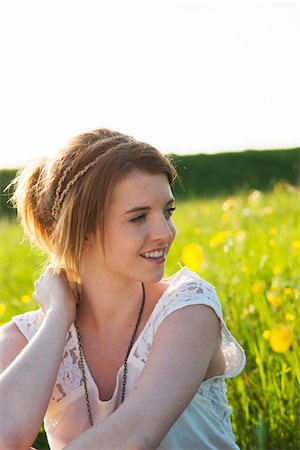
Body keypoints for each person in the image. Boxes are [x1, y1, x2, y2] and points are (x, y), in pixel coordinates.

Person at [0, 128, 245, 450]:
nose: (166, 232)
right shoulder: (28, 336)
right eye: (138, 217)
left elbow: (134, 437)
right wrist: (58, 317)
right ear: (81, 229)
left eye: (167, 212)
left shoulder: (188, 309)